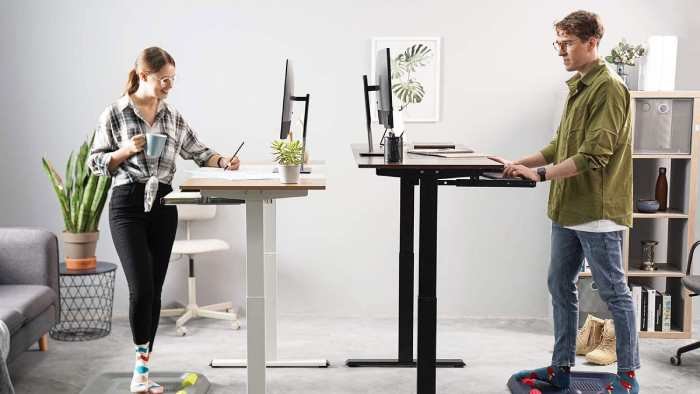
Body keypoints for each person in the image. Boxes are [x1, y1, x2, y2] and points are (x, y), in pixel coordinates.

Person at [491, 11, 640, 394]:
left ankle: (628, 374)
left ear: (591, 42)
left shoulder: (608, 88)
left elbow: (594, 155)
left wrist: (539, 176)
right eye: (557, 43)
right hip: (566, 208)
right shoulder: (578, 87)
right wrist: (518, 164)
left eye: (568, 43)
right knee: (560, 284)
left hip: (597, 211)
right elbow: (560, 146)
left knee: (613, 293)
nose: (561, 51)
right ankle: (561, 366)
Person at [87, 47, 240, 393]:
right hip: (127, 205)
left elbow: (199, 151)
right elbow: (94, 164)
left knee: (154, 291)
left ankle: (143, 370)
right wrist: (126, 151)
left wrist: (223, 161)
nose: (169, 85)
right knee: (140, 289)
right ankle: (139, 374)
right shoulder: (115, 113)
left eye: (173, 79)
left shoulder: (171, 116)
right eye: (164, 79)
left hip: (164, 204)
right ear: (144, 75)